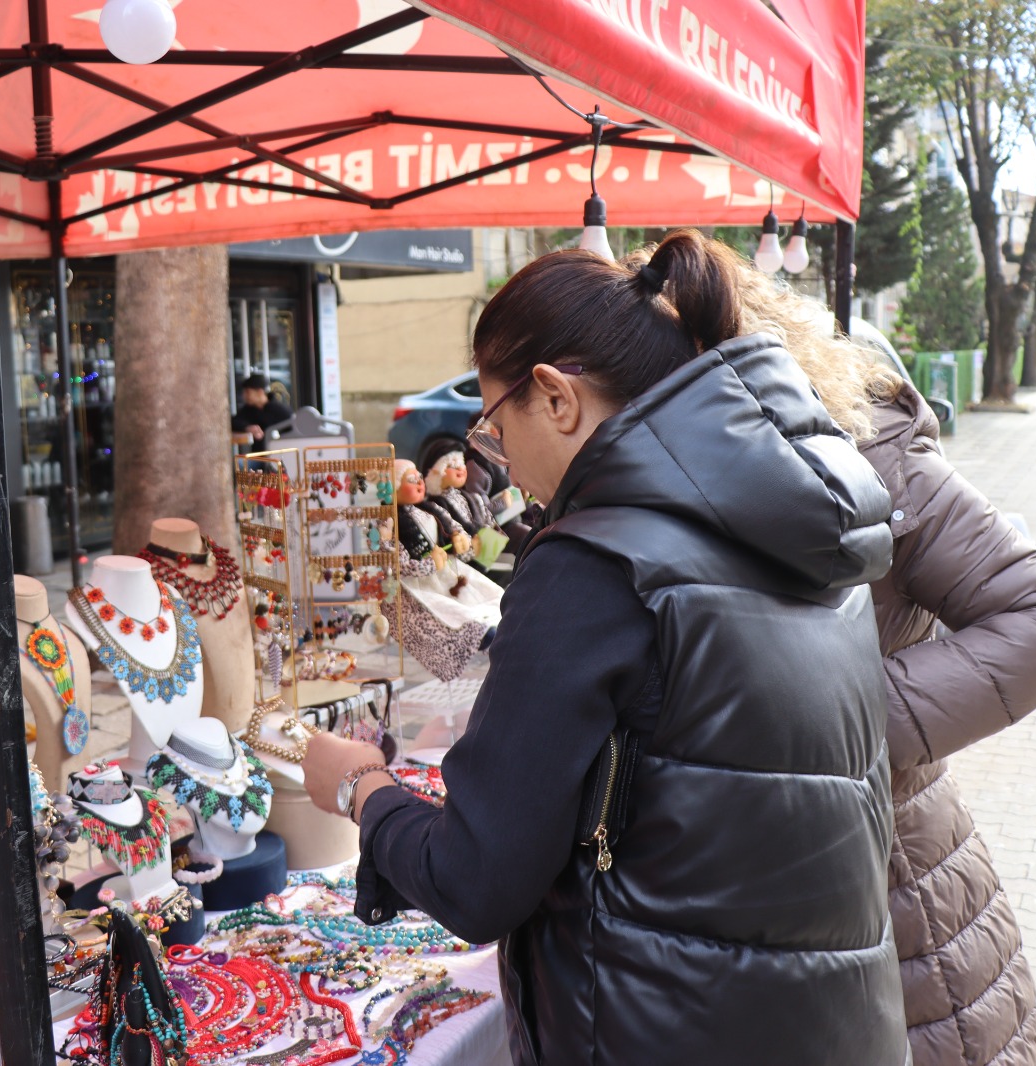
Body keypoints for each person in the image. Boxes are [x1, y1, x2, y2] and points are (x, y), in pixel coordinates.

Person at [303, 230, 909, 1065]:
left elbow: (475, 878)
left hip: (662, 1031)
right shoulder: (814, 532)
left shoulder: (596, 562)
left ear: (554, 397)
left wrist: (362, 790)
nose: (501, 463)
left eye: (494, 425)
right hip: (835, 1026)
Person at [721, 261, 1036, 1066]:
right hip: (779, 896)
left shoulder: (873, 457)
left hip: (895, 881)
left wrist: (832, 727)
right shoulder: (695, 480)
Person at [229, 373, 292, 441]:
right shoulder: (249, 409)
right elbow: (234, 422)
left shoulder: (280, 410)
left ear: (260, 392)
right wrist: (247, 427)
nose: (244, 396)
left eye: (248, 392)